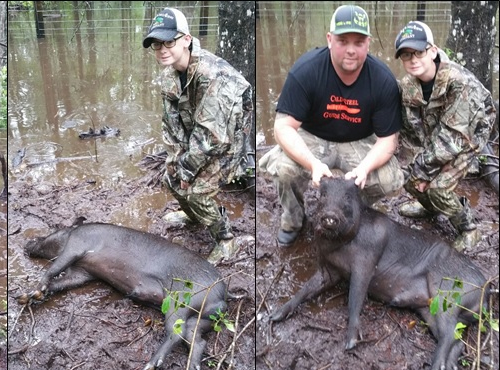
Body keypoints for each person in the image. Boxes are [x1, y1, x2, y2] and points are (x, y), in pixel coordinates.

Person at [257, 5, 403, 246]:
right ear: (329, 39)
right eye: (343, 41)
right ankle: (293, 218)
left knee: (388, 178)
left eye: (358, 42)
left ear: (368, 43)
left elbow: (388, 139)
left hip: (358, 141)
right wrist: (312, 164)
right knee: (284, 168)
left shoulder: (382, 79)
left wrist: (365, 168)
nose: (351, 50)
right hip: (313, 136)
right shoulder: (307, 71)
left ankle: (354, 214)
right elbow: (283, 127)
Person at [142, 7, 253, 263]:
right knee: (169, 178)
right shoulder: (169, 75)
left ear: (187, 40)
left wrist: (187, 169)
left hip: (228, 144)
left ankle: (226, 239)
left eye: (169, 42)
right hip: (200, 139)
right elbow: (171, 125)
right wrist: (176, 162)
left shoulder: (215, 75)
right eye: (156, 45)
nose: (162, 50)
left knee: (196, 192)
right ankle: (193, 216)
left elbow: (213, 136)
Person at [392, 20, 496, 252]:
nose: (413, 59)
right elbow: (411, 132)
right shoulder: (408, 86)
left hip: (468, 134)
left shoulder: (461, 83)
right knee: (407, 177)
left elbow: (452, 139)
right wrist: (414, 169)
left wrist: (424, 172)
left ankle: (469, 228)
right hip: (439, 130)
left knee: (438, 188)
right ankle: (430, 207)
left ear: (433, 51)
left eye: (419, 52)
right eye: (406, 55)